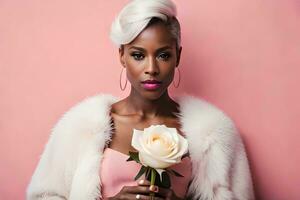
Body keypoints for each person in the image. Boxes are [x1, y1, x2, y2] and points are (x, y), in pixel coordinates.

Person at [26, 0, 255, 199]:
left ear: (178, 56)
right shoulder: (80, 127)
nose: (152, 68)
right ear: (122, 56)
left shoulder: (214, 135)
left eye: (164, 55)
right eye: (138, 55)